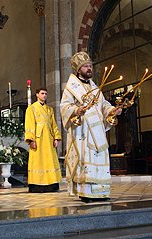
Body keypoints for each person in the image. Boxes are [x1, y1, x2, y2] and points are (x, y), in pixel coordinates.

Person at [60, 52, 122, 203]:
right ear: (78, 69)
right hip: (83, 131)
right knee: (86, 160)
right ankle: (86, 192)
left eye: (90, 66)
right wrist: (77, 110)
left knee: (99, 159)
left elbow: (104, 105)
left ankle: (102, 191)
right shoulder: (71, 88)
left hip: (98, 132)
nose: (89, 68)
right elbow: (65, 106)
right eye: (86, 66)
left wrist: (113, 110)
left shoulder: (95, 87)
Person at [25, 87, 62, 193]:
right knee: (38, 161)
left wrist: (56, 138)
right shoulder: (31, 108)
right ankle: (37, 185)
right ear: (37, 94)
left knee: (50, 160)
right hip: (38, 139)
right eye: (42, 93)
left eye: (46, 94)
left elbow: (53, 124)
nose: (44, 95)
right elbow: (29, 124)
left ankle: (51, 184)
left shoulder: (50, 109)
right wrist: (31, 140)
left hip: (49, 139)